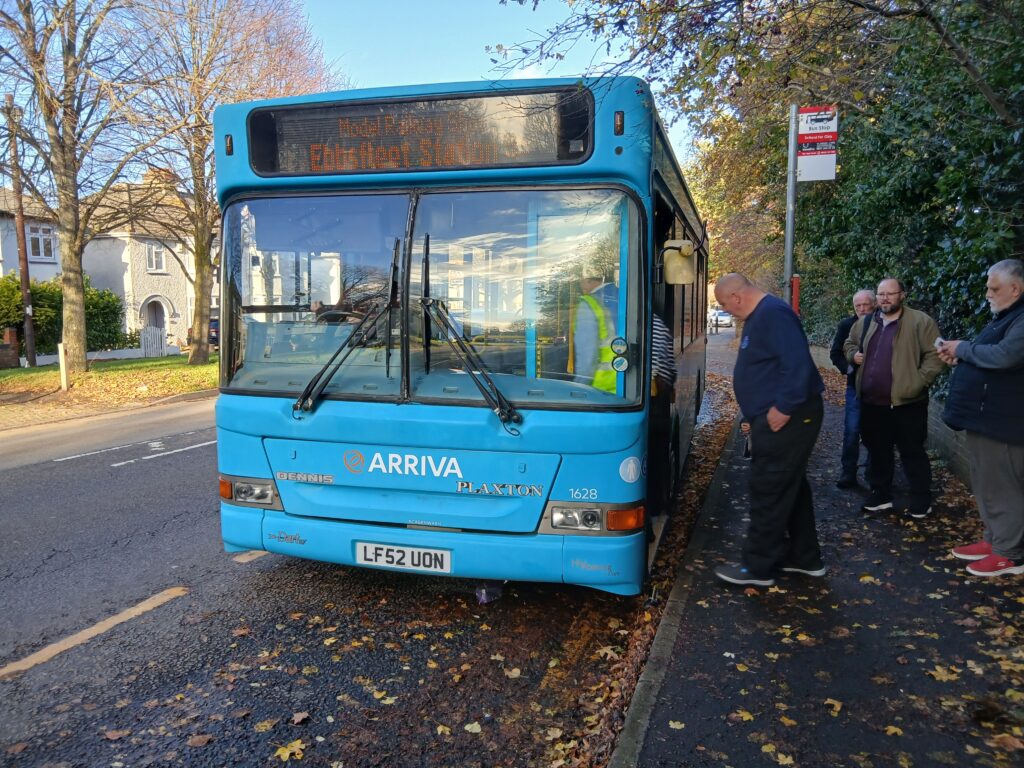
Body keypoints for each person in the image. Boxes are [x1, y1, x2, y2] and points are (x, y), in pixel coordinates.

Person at [712, 273, 826, 587]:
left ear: (736, 296)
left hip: (789, 417)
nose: (726, 310)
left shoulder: (773, 314)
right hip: (780, 416)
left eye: (724, 304)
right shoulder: (762, 316)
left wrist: (783, 408)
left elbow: (797, 363)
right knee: (790, 486)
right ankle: (806, 558)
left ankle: (758, 568)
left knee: (769, 487)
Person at [939, 259, 1024, 577]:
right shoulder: (1006, 317)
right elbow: (988, 356)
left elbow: (1006, 357)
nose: (987, 293)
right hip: (986, 420)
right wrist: (961, 355)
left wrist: (962, 349)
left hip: (1005, 422)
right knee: (987, 482)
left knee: (1004, 486)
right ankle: (995, 539)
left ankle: (1010, 553)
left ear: (1015, 289)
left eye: (994, 288)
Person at [844, 277, 943, 519]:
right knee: (878, 452)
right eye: (881, 294)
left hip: (907, 404)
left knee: (912, 452)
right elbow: (849, 343)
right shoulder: (866, 322)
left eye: (890, 293)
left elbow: (935, 355)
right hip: (871, 402)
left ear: (902, 295)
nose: (885, 298)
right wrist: (852, 355)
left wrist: (918, 383)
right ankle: (881, 495)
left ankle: (921, 500)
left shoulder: (920, 321)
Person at [829, 290, 877, 488]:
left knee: (876, 431)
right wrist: (849, 366)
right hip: (854, 387)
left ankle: (873, 474)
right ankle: (848, 472)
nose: (862, 309)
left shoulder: (883, 324)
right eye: (858, 306)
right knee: (851, 430)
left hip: (879, 387)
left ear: (874, 304)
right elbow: (835, 352)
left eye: (866, 305)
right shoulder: (846, 325)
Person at [573, 270, 618, 392]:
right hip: (626, 389)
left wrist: (578, 390)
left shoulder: (589, 304)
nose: (580, 285)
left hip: (600, 391)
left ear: (588, 279)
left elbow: (587, 360)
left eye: (580, 281)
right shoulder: (625, 296)